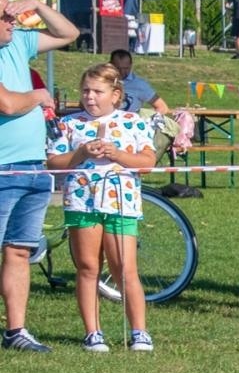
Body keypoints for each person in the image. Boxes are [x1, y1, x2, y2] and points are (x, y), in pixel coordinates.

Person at [45, 64, 158, 351]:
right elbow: (54, 163)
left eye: (97, 91)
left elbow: (147, 164)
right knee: (87, 267)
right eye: (85, 91)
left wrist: (118, 154)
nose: (90, 97)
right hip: (82, 203)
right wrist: (81, 152)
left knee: (124, 268)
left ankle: (139, 332)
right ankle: (93, 333)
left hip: (121, 203)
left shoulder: (134, 122)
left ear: (115, 94)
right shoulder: (70, 124)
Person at [0, 0, 77, 352]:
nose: (11, 21)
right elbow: (8, 103)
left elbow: (68, 33)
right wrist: (40, 95)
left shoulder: (19, 41)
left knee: (19, 250)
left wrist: (35, 4)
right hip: (2, 170)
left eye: (12, 14)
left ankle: (16, 331)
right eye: (4, 16)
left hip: (32, 167)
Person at [109, 49, 170, 115]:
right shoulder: (103, 81)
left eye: (126, 68)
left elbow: (162, 108)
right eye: (118, 68)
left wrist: (146, 122)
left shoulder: (139, 84)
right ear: (110, 65)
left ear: (131, 65)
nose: (122, 72)